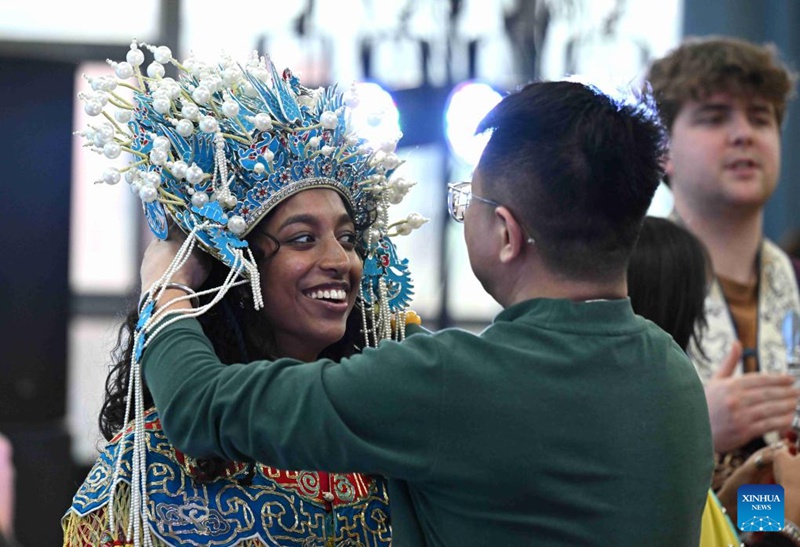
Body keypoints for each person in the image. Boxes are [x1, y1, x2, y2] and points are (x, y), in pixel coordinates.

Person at [138, 80, 714, 545]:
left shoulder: (447, 381)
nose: (341, 261)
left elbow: (196, 407)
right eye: (302, 238)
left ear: (506, 232)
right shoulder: (674, 374)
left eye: (471, 201)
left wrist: (167, 288)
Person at [63, 41, 426, 546]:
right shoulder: (150, 463)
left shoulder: (383, 430)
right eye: (303, 238)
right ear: (233, 267)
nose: (341, 261)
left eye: (347, 239)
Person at [645, 35, 800, 489]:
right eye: (714, 117)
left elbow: (762, 505)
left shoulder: (795, 281)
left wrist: (769, 526)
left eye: (761, 118)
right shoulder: (620, 280)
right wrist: (694, 425)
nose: (744, 133)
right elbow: (580, 447)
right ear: (663, 152)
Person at [627, 216, 800, 547]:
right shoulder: (645, 444)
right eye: (697, 318)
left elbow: (724, 523)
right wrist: (791, 522)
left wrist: (759, 498)